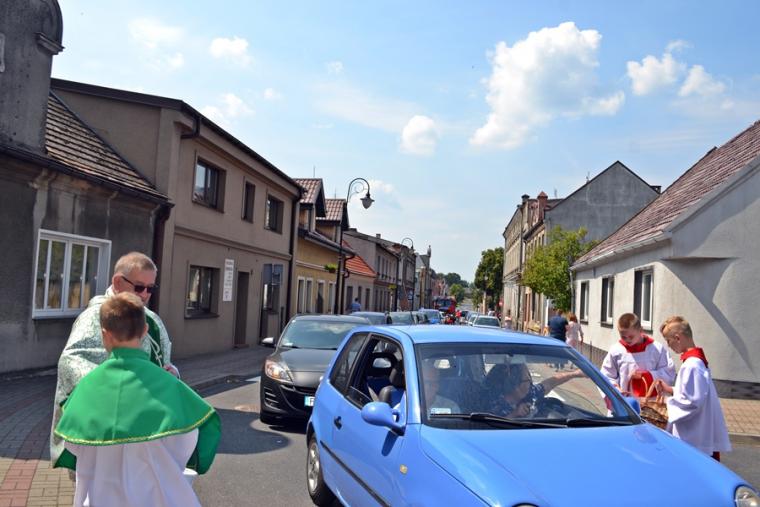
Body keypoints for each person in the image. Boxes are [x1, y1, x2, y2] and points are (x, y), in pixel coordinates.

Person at [54, 293, 220, 506]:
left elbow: (74, 445)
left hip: (103, 498)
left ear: (105, 334)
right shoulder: (169, 385)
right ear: (144, 331)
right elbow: (197, 435)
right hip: (160, 497)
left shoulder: (85, 387)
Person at [51, 252, 178, 467]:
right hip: (107, 427)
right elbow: (72, 361)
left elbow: (162, 359)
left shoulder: (151, 318)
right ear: (118, 282)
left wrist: (171, 373)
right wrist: (118, 391)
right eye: (139, 287)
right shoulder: (97, 315)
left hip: (143, 425)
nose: (145, 294)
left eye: (150, 288)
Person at [655, 316, 730, 461]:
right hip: (699, 429)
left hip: (694, 434)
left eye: (668, 340)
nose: (668, 345)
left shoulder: (692, 365)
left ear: (677, 338)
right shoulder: (695, 361)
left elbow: (691, 402)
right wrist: (670, 389)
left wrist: (666, 402)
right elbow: (695, 393)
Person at [601, 313, 675, 397]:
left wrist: (647, 376)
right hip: (625, 401)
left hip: (651, 402)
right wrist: (615, 389)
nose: (627, 340)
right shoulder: (616, 350)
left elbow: (668, 372)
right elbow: (606, 375)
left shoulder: (657, 349)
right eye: (623, 337)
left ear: (641, 330)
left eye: (631, 337)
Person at [485, 362, 583, 417]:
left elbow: (551, 383)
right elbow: (489, 428)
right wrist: (515, 414)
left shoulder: (529, 393)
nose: (530, 383)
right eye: (528, 380)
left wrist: (575, 374)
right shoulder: (493, 402)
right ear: (515, 385)